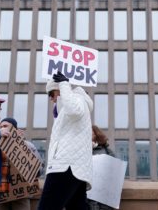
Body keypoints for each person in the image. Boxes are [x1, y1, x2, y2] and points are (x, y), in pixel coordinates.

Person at [37, 71, 93, 210]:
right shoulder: (71, 103)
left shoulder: (76, 98)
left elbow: (74, 111)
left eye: (51, 93)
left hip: (66, 165)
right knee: (77, 207)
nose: (51, 99)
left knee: (47, 207)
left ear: (60, 89)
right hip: (75, 167)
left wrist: (64, 84)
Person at [0, 117, 43, 210]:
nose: (2, 128)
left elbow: (38, 170)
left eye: (5, 126)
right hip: (0, 193)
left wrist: (21, 147)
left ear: (14, 129)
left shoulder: (28, 146)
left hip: (21, 194)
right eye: (1, 127)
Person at [87, 125, 115, 210]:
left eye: (89, 132)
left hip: (103, 196)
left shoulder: (107, 151)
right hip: (86, 195)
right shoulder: (79, 151)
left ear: (96, 134)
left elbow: (115, 170)